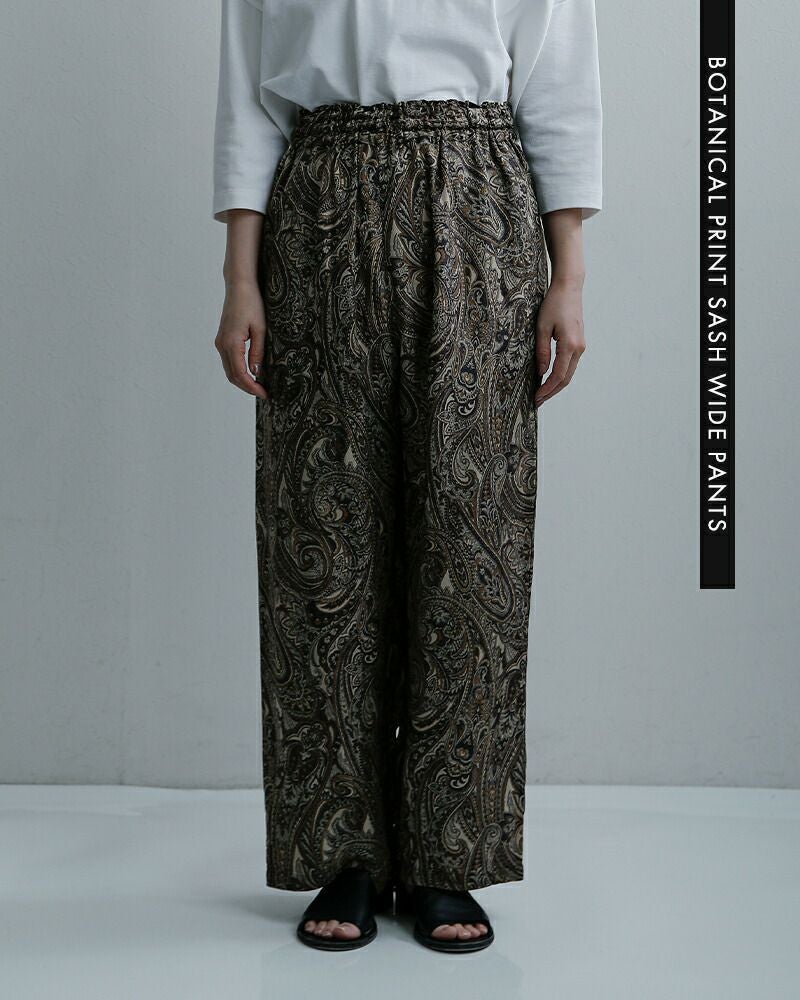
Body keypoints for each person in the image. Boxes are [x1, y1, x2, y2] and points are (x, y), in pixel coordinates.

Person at [211, 0, 602, 953]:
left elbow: (558, 85)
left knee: (471, 537)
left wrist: (570, 277)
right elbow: (248, 98)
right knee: (324, 538)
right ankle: (341, 849)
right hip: (318, 209)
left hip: (477, 204)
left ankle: (443, 853)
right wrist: (239, 279)